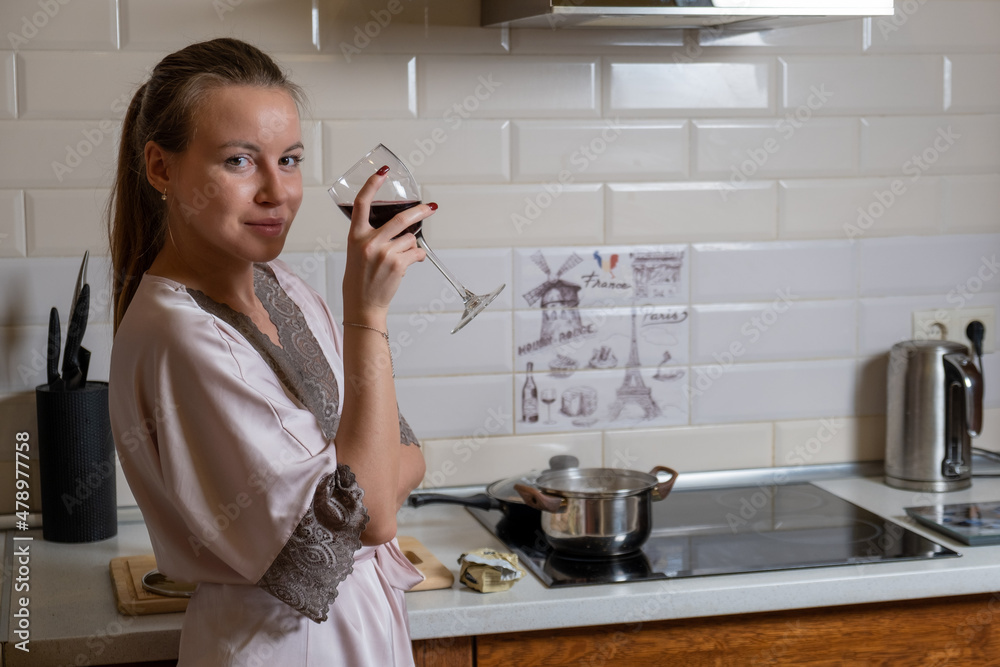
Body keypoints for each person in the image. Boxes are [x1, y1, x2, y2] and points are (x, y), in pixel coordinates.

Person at [107, 38, 432, 666]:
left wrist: (366, 483)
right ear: (161, 168)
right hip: (282, 647)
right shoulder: (184, 338)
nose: (275, 191)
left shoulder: (284, 288)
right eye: (238, 161)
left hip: (363, 630)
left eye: (288, 160)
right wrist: (367, 317)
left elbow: (406, 456)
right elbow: (371, 516)